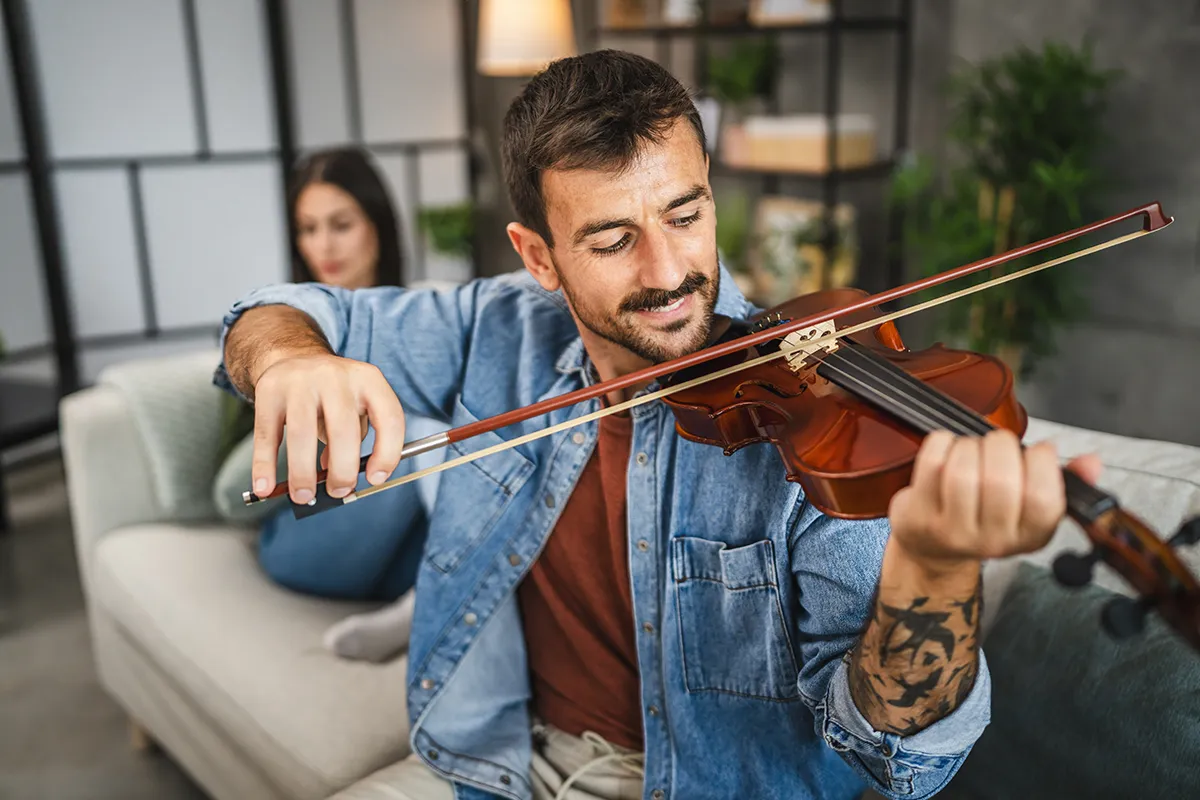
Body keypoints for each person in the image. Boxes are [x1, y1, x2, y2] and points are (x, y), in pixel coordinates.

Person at [213, 51, 1102, 800]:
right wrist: (290, 357)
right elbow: (278, 309)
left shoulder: (825, 428)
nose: (671, 270)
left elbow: (898, 756)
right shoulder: (497, 328)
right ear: (539, 258)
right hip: (495, 762)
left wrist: (937, 571)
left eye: (686, 214)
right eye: (611, 240)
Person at [211, 145, 434, 662]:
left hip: (400, 545)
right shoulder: (274, 329)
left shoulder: (420, 316)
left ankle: (433, 591)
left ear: (378, 224)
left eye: (340, 224)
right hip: (302, 531)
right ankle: (430, 595)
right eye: (308, 229)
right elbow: (230, 493)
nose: (323, 245)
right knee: (409, 414)